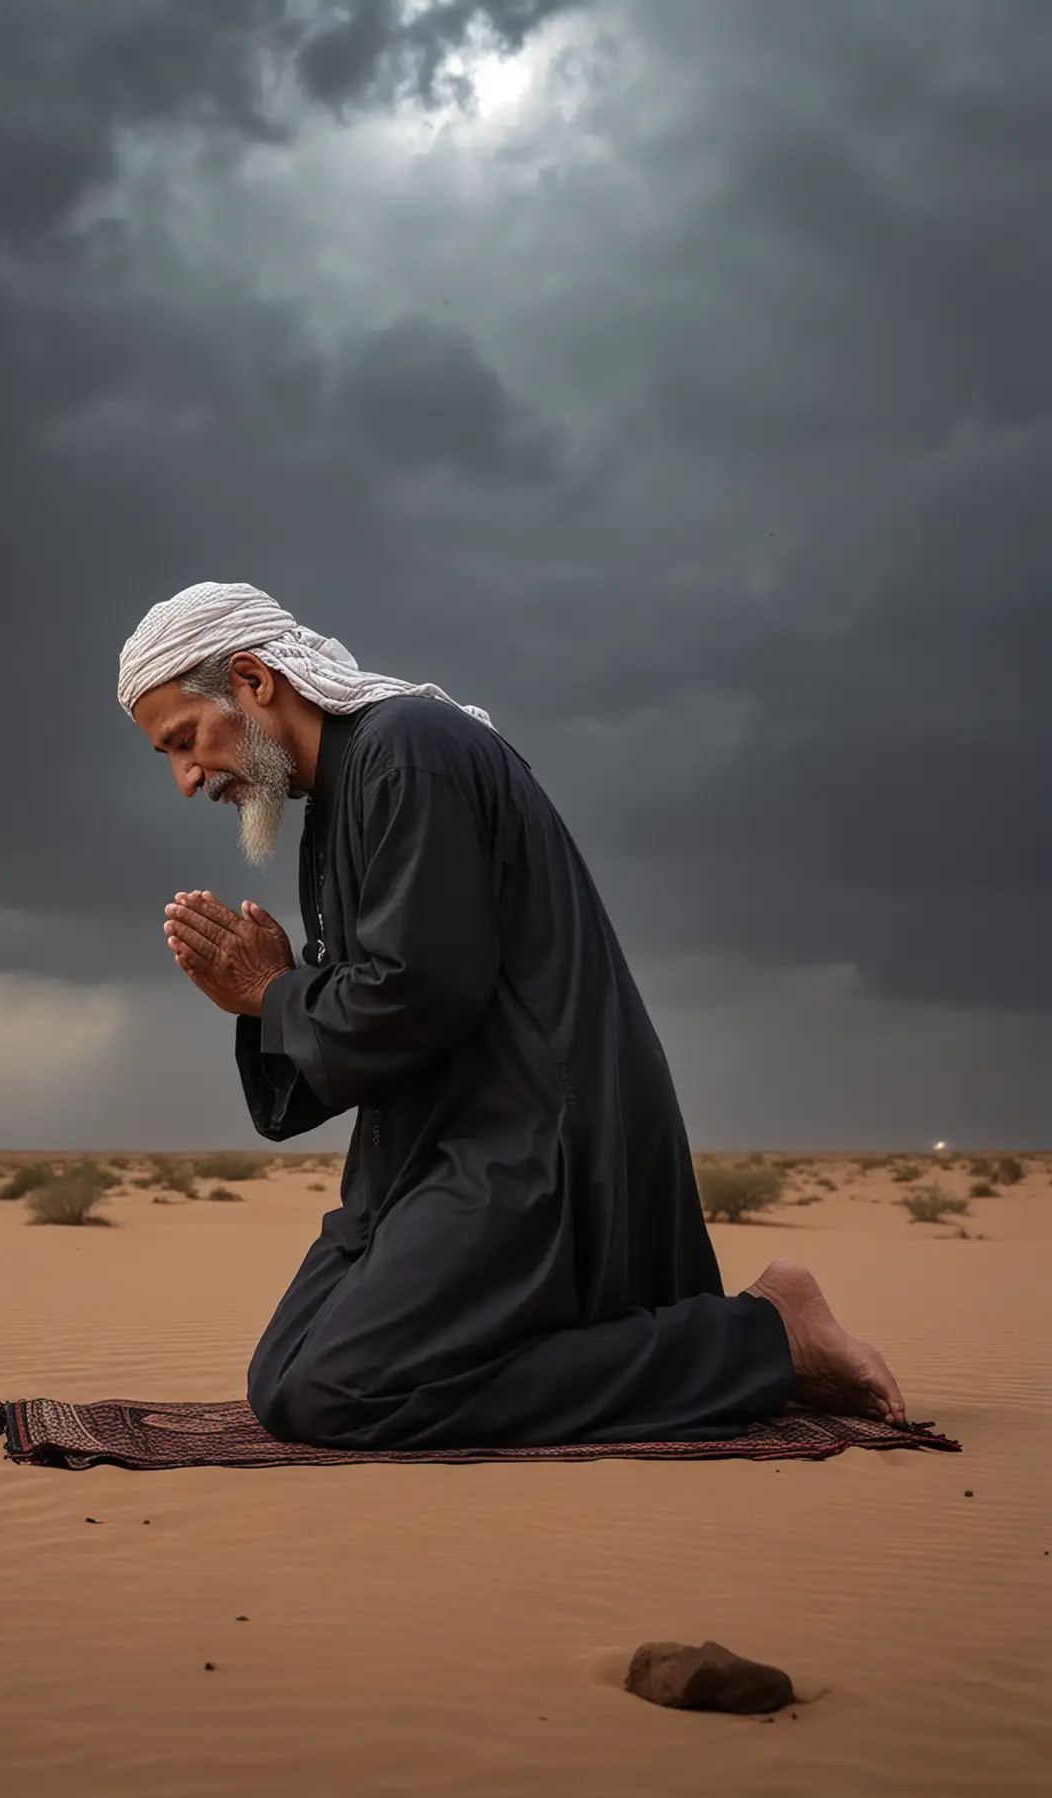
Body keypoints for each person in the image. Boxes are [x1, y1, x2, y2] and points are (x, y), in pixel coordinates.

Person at [117, 581, 907, 1450]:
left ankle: (763, 1336)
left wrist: (272, 993)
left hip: (528, 1142)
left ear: (252, 680)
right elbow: (379, 1010)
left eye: (183, 741)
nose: (187, 780)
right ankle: (699, 1348)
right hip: (429, 1154)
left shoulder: (408, 752)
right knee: (284, 1379)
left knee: (337, 1392)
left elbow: (423, 993)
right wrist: (264, 1001)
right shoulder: (345, 793)